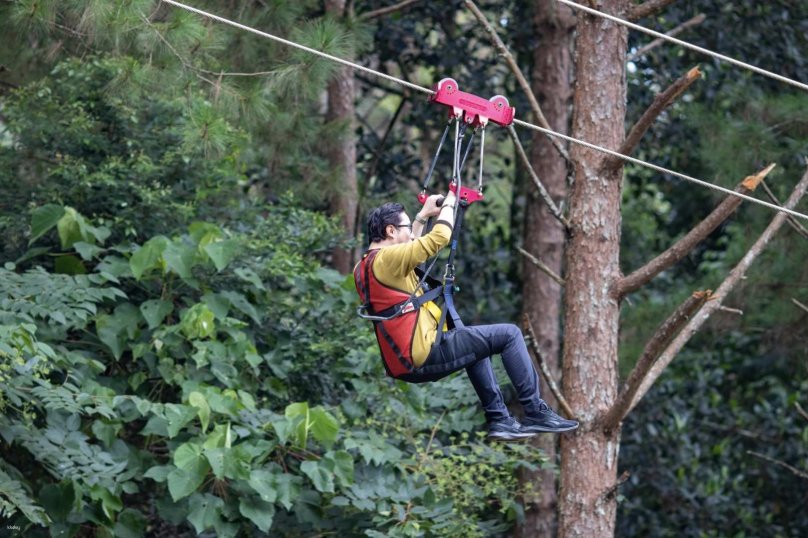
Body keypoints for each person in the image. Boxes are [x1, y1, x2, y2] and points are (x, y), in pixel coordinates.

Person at [354, 191, 578, 440]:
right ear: (390, 231)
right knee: (510, 334)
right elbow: (440, 237)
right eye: (405, 227)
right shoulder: (386, 260)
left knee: (474, 345)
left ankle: (500, 419)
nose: (409, 232)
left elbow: (408, 248)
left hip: (407, 361)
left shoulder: (366, 265)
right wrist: (451, 201)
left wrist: (421, 216)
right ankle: (535, 410)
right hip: (423, 354)